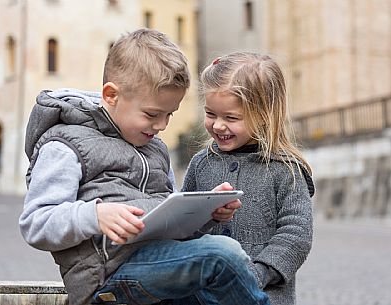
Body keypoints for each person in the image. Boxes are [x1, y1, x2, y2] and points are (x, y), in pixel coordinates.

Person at [20, 29, 270, 305]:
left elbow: (172, 226)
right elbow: (36, 223)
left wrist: (207, 213)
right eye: (152, 114)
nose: (162, 125)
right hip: (109, 280)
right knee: (223, 255)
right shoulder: (65, 144)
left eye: (169, 114)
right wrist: (95, 215)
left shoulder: (155, 148)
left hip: (161, 268)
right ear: (112, 95)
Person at [182, 52, 315, 305]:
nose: (218, 125)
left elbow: (296, 235)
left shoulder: (285, 170)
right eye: (211, 114)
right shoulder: (201, 164)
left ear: (264, 115)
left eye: (231, 118)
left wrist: (257, 273)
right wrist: (204, 214)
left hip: (265, 296)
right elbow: (183, 226)